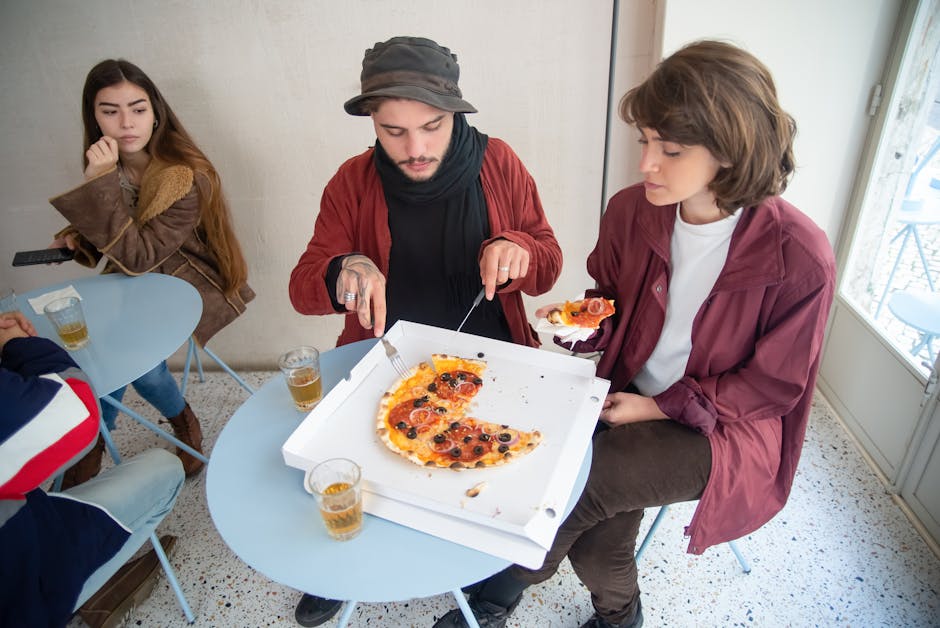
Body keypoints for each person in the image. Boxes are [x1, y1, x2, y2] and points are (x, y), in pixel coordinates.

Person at [433, 40, 836, 628]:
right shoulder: (632, 210)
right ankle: (620, 614)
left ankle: (503, 583)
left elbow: (772, 388)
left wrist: (655, 407)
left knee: (578, 486)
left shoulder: (799, 256)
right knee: (594, 530)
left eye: (670, 149)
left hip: (723, 425)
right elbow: (611, 298)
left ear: (732, 151)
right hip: (623, 393)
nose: (646, 162)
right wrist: (583, 326)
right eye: (645, 140)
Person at [288, 36, 562, 626]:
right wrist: (345, 267)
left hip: (493, 355)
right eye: (394, 132)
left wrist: (517, 249)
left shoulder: (499, 162)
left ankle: (492, 582)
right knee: (353, 463)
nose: (415, 148)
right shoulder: (352, 180)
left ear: (456, 113)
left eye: (432, 127)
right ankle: (339, 565)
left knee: (495, 478)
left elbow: (548, 258)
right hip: (384, 354)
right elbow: (302, 283)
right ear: (372, 123)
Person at [47, 59, 255, 484]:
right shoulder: (111, 166)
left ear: (156, 112)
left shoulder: (183, 175)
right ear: (93, 115)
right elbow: (123, 233)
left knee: (126, 361)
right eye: (110, 110)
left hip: (186, 286)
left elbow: (139, 254)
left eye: (138, 109)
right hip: (134, 284)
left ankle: (114, 438)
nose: (126, 123)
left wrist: (97, 187)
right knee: (96, 354)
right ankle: (106, 437)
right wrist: (77, 235)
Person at [0, 311, 185, 626]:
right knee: (166, 468)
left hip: (27, 526)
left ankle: (169, 425)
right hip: (27, 592)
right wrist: (16, 344)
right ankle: (86, 593)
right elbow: (78, 411)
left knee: (138, 360)